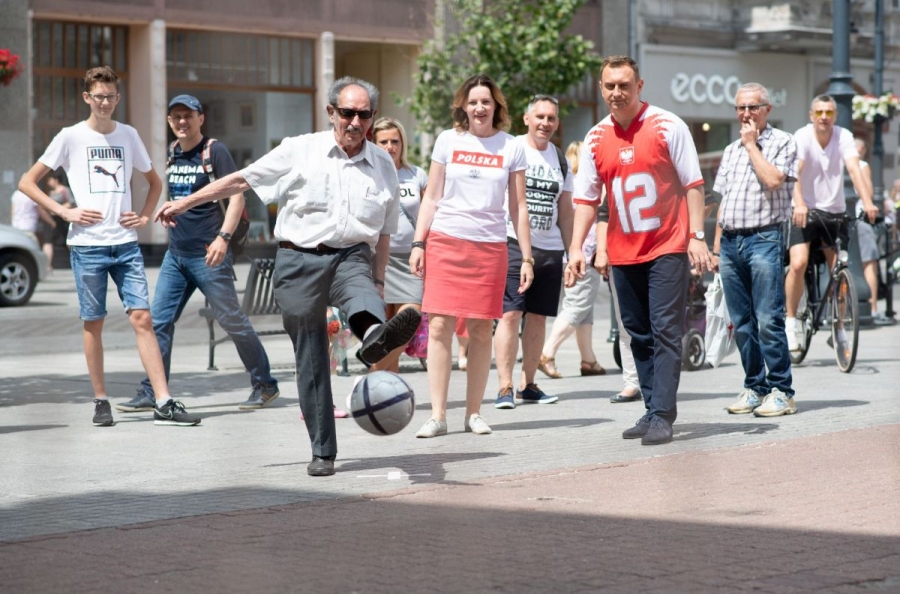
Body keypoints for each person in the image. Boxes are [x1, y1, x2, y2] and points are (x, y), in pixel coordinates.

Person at [155, 76, 420, 477]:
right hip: (298, 261)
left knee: (363, 294)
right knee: (311, 358)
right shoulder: (299, 149)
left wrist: (380, 282)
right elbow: (242, 179)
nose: (355, 121)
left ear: (373, 117)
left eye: (364, 114)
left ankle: (373, 338)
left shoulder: (383, 164)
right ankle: (323, 451)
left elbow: (383, 233)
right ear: (331, 112)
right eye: (347, 112)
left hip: (350, 255)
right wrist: (186, 202)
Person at [18, 65, 201, 428]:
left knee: (143, 318)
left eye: (111, 97)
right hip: (87, 246)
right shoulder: (70, 137)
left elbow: (154, 182)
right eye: (99, 97)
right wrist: (64, 211)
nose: (105, 103)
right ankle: (101, 400)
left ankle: (163, 401)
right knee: (94, 322)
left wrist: (144, 216)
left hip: (126, 245)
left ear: (118, 98)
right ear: (87, 97)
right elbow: (28, 182)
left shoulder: (128, 135)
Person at [566, 55, 712, 446]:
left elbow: (693, 185)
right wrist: (576, 248)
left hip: (666, 246)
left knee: (665, 330)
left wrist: (696, 235)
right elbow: (586, 200)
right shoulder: (596, 138)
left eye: (624, 85)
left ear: (639, 86)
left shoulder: (668, 126)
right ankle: (651, 409)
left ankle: (663, 414)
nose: (617, 92)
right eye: (610, 86)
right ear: (601, 89)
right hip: (622, 252)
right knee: (638, 334)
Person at [114, 94, 280, 415]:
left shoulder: (214, 151)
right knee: (158, 322)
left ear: (201, 119)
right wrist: (170, 212)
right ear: (169, 121)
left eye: (188, 116)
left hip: (208, 254)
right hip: (176, 254)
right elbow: (179, 196)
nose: (182, 122)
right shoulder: (172, 152)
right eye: (176, 116)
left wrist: (223, 239)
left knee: (231, 320)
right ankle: (152, 390)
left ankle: (265, 384)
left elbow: (237, 198)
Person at [410, 73, 531, 438]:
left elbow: (519, 207)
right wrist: (419, 243)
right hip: (446, 241)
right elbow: (431, 196)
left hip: (490, 247)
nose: (480, 108)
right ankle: (438, 415)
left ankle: (474, 413)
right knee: (439, 326)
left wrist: (527, 257)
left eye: (486, 102)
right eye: (473, 101)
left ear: (496, 107)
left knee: (480, 329)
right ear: (463, 105)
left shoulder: (512, 146)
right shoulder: (448, 140)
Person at [711, 83, 798, 417]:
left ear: (767, 110)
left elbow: (774, 180)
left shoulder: (782, 142)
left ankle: (782, 390)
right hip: (731, 241)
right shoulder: (730, 149)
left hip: (764, 238)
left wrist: (751, 145)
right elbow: (724, 199)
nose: (746, 114)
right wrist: (716, 245)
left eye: (753, 107)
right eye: (740, 108)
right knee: (742, 323)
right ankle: (755, 386)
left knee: (767, 319)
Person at [492, 94, 573, 409]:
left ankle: (528, 385)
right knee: (511, 314)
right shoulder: (512, 148)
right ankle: (505, 386)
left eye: (551, 118)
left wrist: (571, 253)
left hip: (550, 249)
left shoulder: (560, 159)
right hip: (512, 242)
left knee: (538, 318)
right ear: (526, 119)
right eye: (540, 117)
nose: (545, 123)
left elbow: (566, 213)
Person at [785, 95, 878, 351]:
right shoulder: (802, 136)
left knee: (840, 270)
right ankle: (790, 322)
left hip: (834, 213)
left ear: (835, 116)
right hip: (804, 211)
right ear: (811, 115)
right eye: (819, 112)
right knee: (798, 263)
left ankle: (840, 328)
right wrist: (799, 204)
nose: (824, 117)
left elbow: (854, 170)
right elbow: (795, 173)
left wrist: (867, 202)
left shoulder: (844, 136)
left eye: (828, 112)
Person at [538, 141, 610, 381]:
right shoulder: (593, 184)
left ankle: (588, 360)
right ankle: (547, 353)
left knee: (584, 308)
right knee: (577, 306)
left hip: (567, 251)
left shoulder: (568, 183)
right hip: (587, 253)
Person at [369, 117, 428, 373]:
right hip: (376, 260)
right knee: (384, 330)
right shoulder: (366, 173)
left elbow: (429, 215)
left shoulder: (417, 175)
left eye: (395, 141)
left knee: (407, 322)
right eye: (383, 141)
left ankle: (369, 381)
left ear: (403, 144)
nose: (390, 147)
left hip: (411, 261)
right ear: (374, 143)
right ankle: (385, 388)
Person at [852, 137, 889, 324]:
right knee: (869, 262)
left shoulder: (861, 165)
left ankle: (872, 307)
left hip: (856, 217)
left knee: (868, 261)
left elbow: (868, 191)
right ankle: (872, 308)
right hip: (855, 218)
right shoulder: (855, 164)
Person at [44, 174, 73, 273]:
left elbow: (71, 202)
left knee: (69, 241)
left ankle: (76, 261)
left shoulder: (64, 190)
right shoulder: (51, 192)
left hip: (63, 219)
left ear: (56, 180)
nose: (49, 183)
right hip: (53, 219)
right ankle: (47, 265)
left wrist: (59, 209)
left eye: (50, 180)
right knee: (48, 241)